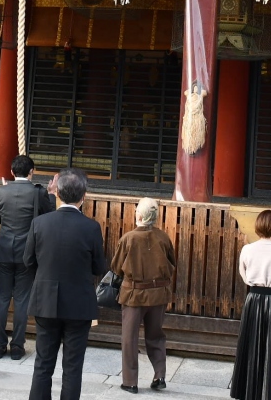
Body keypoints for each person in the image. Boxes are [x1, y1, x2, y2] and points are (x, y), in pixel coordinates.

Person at [25, 168, 108, 400]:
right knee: (72, 366)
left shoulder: (39, 223)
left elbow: (28, 261)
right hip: (79, 302)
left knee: (43, 362)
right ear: (84, 196)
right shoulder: (91, 227)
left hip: (45, 299)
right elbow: (99, 267)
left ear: (58, 193)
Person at [0, 154, 53, 360]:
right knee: (22, 299)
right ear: (31, 172)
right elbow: (48, 217)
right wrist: (52, 195)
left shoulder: (0, 191)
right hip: (27, 251)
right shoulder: (39, 192)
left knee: (1, 298)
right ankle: (17, 347)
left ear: (11, 171)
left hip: (4, 249)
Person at [111, 197, 175, 394]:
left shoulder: (128, 238)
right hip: (158, 294)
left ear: (138, 215)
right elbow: (172, 264)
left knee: (129, 338)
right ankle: (159, 375)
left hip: (134, 294)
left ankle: (130, 382)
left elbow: (116, 267)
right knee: (156, 335)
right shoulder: (163, 238)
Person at [230, 210, 271, 400]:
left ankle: (249, 391)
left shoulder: (248, 249)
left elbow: (244, 275)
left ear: (257, 226)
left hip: (254, 299)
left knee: (251, 343)